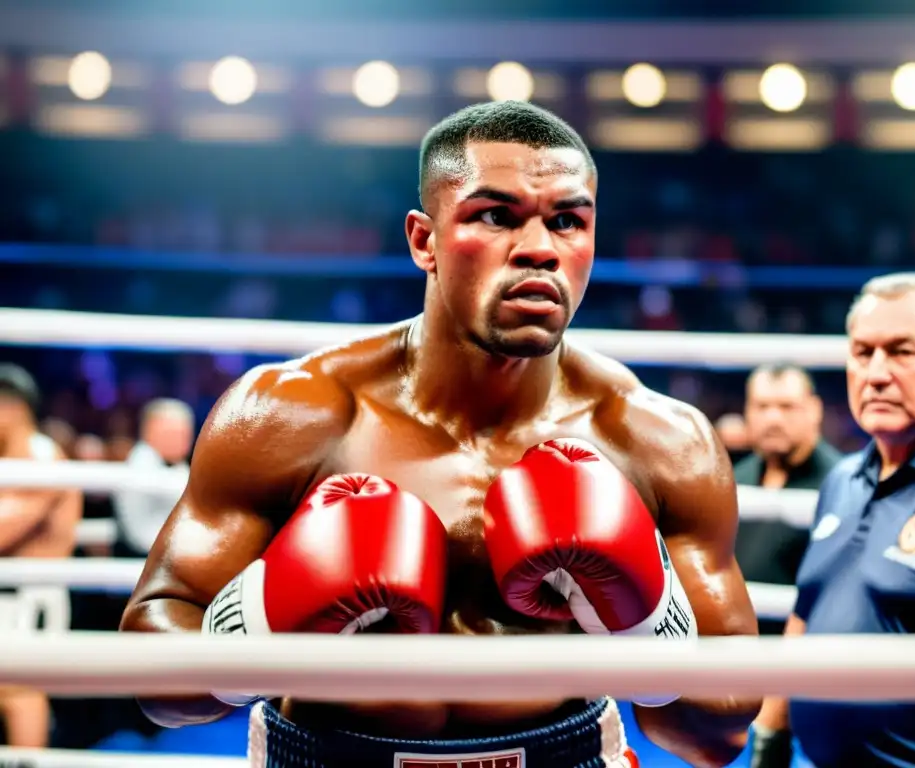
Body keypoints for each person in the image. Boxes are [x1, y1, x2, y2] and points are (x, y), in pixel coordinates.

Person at [120, 101, 760, 768]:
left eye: (568, 221)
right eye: (496, 216)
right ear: (424, 240)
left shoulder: (654, 437)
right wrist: (260, 623)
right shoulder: (293, 414)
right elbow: (152, 675)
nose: (541, 247)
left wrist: (649, 627)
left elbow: (717, 733)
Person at [751, 273, 915, 768]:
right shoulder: (843, 478)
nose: (876, 373)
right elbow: (807, 613)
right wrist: (768, 744)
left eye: (903, 352)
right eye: (862, 352)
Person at [0, 364, 82, 747]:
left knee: (19, 692)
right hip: (10, 596)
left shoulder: (43, 459)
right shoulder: (12, 459)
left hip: (31, 597)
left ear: (11, 407)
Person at [733, 364, 841, 635]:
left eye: (786, 406)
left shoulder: (841, 484)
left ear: (814, 410)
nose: (773, 419)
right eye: (762, 406)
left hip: (803, 658)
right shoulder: (733, 479)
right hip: (733, 651)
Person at [111, 398, 193, 557]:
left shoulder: (175, 465)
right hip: (143, 558)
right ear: (150, 431)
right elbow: (139, 535)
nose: (183, 440)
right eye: (173, 433)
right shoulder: (142, 462)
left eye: (186, 433)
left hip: (164, 556)